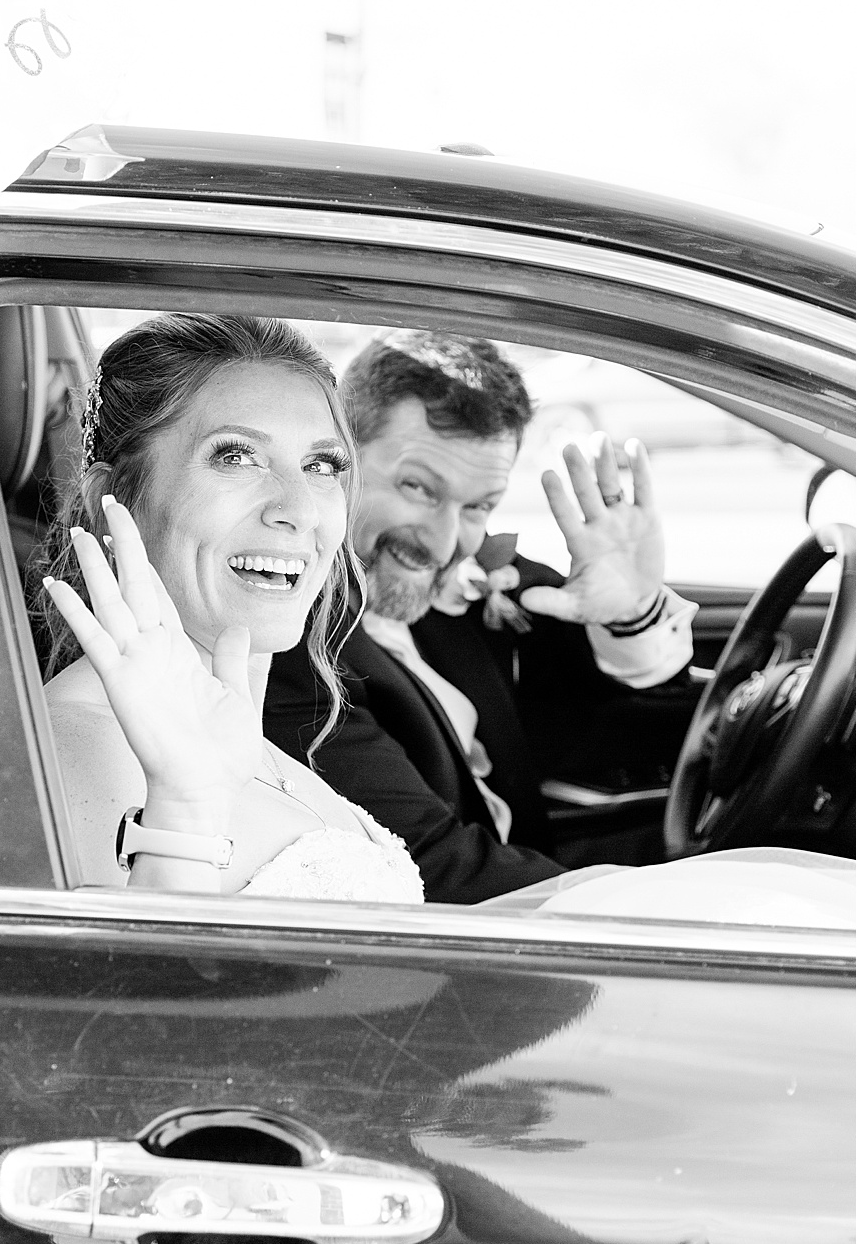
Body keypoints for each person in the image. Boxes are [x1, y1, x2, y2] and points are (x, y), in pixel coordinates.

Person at [265, 332, 699, 893]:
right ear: (334, 457)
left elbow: (601, 713)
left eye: (478, 506)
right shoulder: (286, 650)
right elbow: (435, 868)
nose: (446, 543)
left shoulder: (472, 585)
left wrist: (631, 613)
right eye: (419, 487)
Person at [37, 314, 433, 901]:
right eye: (236, 457)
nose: (298, 508)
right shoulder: (70, 755)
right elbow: (127, 988)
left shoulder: (246, 737)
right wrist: (183, 806)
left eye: (323, 466)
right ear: (112, 500)